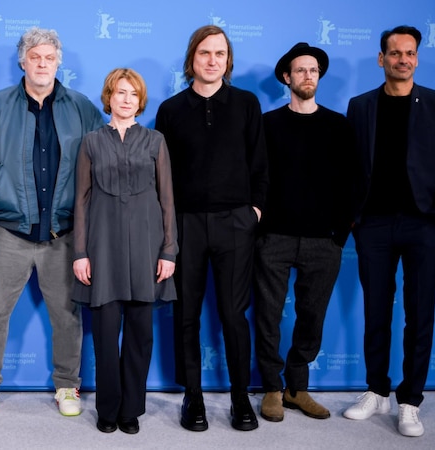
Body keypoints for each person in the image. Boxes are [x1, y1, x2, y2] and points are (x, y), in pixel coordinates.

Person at [0, 26, 104, 419]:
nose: (42, 64)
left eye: (49, 58)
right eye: (35, 57)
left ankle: (67, 386)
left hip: (63, 232)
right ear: (22, 61)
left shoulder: (82, 108)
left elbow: (98, 163)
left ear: (59, 62)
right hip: (11, 231)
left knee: (66, 314)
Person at [342, 25, 435, 437]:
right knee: (376, 312)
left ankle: (410, 400)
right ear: (382, 59)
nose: (402, 60)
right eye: (394, 53)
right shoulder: (359, 107)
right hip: (372, 225)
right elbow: (348, 169)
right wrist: (354, 220)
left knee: (419, 315)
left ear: (417, 57)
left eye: (409, 53)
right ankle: (376, 390)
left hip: (423, 225)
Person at [155, 24, 268, 432]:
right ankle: (193, 399)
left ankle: (241, 399)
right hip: (185, 224)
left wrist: (253, 211)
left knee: (233, 314)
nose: (212, 60)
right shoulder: (170, 109)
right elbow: (161, 175)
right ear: (192, 59)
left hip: (235, 223)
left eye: (220, 54)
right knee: (185, 314)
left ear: (228, 60)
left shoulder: (246, 103)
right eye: (205, 53)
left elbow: (260, 164)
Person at [254, 42, 355, 423]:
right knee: (267, 315)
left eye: (313, 70)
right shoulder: (268, 124)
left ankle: (297, 388)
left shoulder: (338, 126)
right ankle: (271, 389)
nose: (308, 75)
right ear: (287, 77)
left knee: (312, 317)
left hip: (323, 241)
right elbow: (256, 179)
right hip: (274, 238)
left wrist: (339, 234)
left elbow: (352, 183)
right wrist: (260, 230)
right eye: (300, 70)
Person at [72, 68, 177, 434]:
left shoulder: (155, 141)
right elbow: (81, 201)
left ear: (140, 100)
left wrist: (169, 251)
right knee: (104, 334)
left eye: (133, 93)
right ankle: (108, 407)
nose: (127, 99)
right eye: (120, 92)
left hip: (148, 249)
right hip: (102, 248)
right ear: (109, 97)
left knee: (140, 334)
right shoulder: (91, 142)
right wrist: (80, 252)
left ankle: (131, 409)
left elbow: (167, 200)